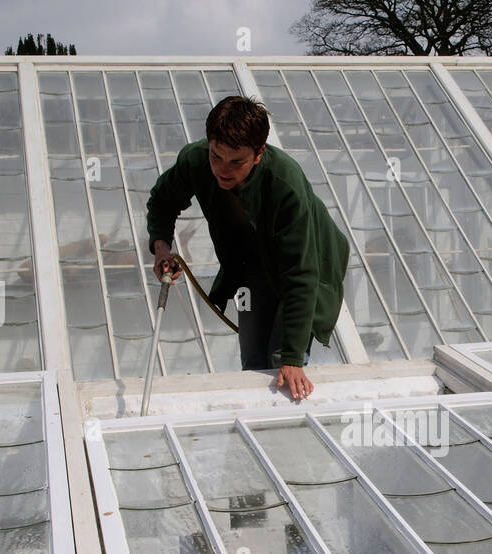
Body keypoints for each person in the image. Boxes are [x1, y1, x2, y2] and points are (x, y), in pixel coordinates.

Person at [146, 96, 349, 401]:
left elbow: (301, 276)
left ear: (258, 154)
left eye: (236, 161)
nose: (223, 170)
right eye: (216, 157)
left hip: (306, 265)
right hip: (249, 270)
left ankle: (285, 430)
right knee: (253, 359)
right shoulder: (196, 159)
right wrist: (162, 249)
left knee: (282, 360)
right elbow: (162, 201)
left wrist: (294, 360)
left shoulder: (285, 183)